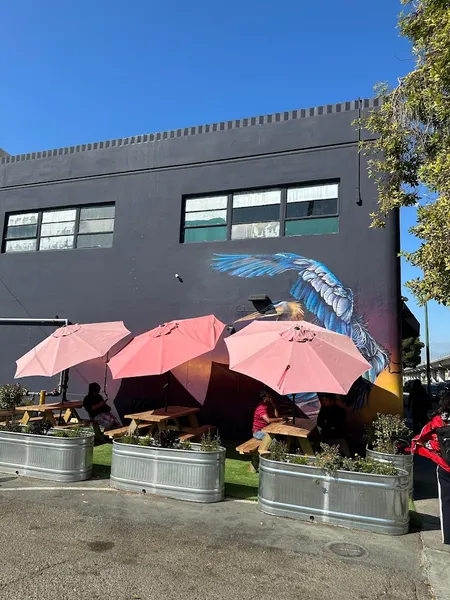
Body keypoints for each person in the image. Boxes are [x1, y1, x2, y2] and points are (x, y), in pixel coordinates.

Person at [411, 393, 450, 546]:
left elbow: (420, 438)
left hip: (445, 467)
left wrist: (435, 455)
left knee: (446, 502)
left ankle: (448, 537)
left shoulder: (439, 421)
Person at [317, 392, 351, 457]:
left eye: (325, 400)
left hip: (338, 436)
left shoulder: (340, 411)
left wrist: (327, 424)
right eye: (322, 400)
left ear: (332, 401)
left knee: (345, 449)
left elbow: (339, 425)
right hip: (326, 435)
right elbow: (319, 423)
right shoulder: (323, 409)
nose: (323, 402)